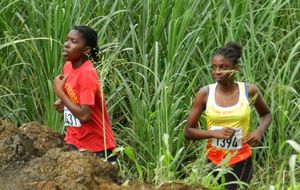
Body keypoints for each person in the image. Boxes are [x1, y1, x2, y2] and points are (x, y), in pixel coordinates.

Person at [184, 42, 272, 189]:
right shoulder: (205, 94)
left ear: (235, 69)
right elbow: (188, 131)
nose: (217, 71)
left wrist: (259, 131)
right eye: (214, 67)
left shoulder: (249, 91)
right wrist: (214, 133)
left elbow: (266, 114)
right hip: (212, 160)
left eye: (223, 67)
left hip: (241, 159)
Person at [53, 25, 116, 162]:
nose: (66, 45)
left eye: (73, 42)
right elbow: (76, 102)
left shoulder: (87, 74)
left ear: (86, 50)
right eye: (67, 40)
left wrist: (60, 92)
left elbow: (85, 115)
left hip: (96, 146)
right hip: (74, 140)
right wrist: (63, 105)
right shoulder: (68, 67)